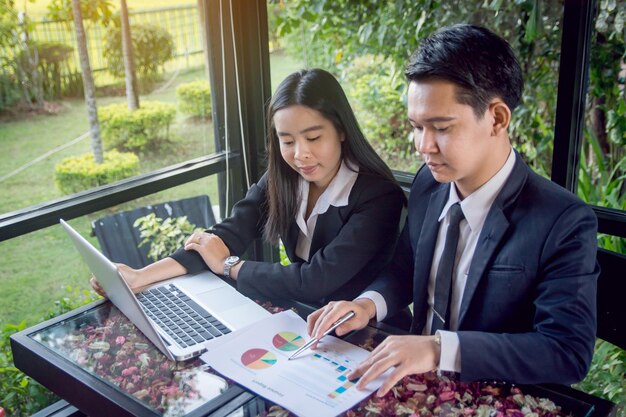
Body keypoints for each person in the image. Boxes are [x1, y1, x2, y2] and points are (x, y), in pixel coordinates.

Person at [307, 24, 599, 396]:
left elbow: (566, 352)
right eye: (416, 127)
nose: (423, 146)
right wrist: (366, 305)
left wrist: (438, 349)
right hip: (410, 387)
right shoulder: (430, 185)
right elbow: (406, 268)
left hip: (492, 395)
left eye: (441, 128)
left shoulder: (561, 220)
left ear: (496, 118)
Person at [91, 68, 405, 307]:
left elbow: (315, 280)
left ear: (341, 131)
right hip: (301, 317)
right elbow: (225, 236)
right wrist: (139, 277)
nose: (300, 154)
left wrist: (230, 266)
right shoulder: (284, 179)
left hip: (364, 331)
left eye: (313, 138)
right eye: (287, 140)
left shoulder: (377, 196)